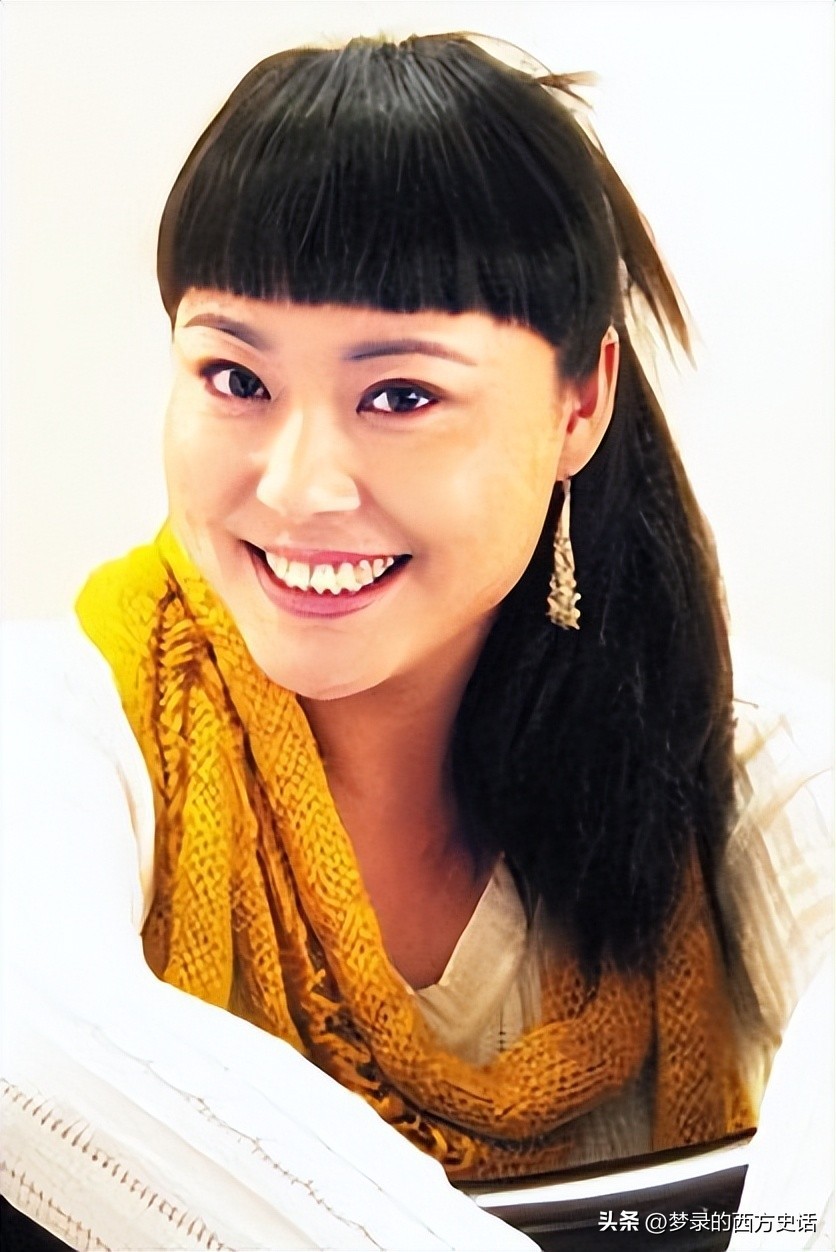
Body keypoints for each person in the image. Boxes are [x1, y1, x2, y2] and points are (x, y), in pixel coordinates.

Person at [2, 32, 831, 1249]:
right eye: (234, 378)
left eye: (399, 395)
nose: (297, 487)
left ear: (579, 403)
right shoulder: (63, 722)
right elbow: (29, 1040)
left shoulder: (718, 741)